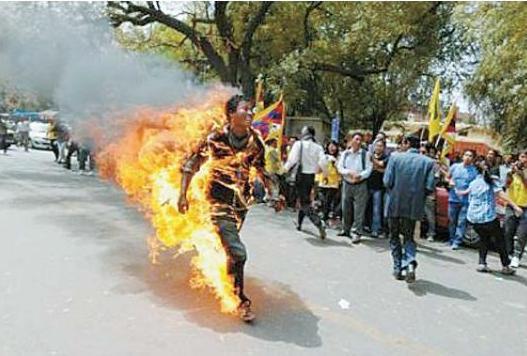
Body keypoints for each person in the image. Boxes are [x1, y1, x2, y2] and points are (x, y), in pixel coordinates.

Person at [178, 95, 275, 322]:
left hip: (241, 203)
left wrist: (275, 193)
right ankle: (240, 301)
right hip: (217, 202)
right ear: (232, 114)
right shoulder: (215, 138)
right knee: (238, 251)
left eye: (252, 110)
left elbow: (263, 171)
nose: (251, 114)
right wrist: (182, 194)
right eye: (246, 110)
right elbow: (191, 165)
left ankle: (226, 274)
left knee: (231, 251)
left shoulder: (255, 142)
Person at [384, 135, 435, 282]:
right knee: (409, 236)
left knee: (394, 236)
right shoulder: (428, 162)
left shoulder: (395, 158)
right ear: (419, 146)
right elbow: (430, 187)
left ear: (406, 143)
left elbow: (387, 181)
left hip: (395, 202)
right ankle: (410, 262)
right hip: (414, 205)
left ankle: (397, 267)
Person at [460, 161, 521, 274]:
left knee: (484, 239)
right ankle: (506, 266)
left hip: (474, 218)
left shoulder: (473, 183)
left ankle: (482, 263)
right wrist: (515, 207)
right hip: (488, 217)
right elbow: (501, 195)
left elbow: (470, 198)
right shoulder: (492, 181)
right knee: (500, 240)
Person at [284, 126, 327, 239]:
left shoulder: (299, 144)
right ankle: (299, 223)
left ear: (306, 133)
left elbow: (292, 160)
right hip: (310, 177)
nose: (301, 133)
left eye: (302, 131)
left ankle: (318, 222)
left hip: (300, 176)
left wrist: (284, 169)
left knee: (304, 203)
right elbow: (323, 161)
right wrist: (324, 173)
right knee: (304, 198)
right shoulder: (318, 147)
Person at [337, 131, 372, 243]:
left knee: (359, 210)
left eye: (360, 140)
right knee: (346, 207)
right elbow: (340, 167)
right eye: (356, 139)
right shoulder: (345, 154)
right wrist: (349, 172)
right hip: (347, 183)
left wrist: (360, 175)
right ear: (351, 140)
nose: (358, 142)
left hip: (360, 184)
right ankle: (345, 229)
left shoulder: (365, 154)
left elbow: (369, 169)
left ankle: (356, 232)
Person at [447, 150, 478, 250]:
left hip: (466, 200)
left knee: (461, 222)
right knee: (452, 220)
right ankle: (451, 239)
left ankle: (457, 241)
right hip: (453, 198)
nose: (468, 157)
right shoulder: (455, 167)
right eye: (466, 155)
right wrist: (450, 181)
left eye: (470, 156)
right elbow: (447, 177)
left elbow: (475, 186)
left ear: (473, 158)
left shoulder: (474, 171)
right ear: (462, 156)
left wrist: (466, 192)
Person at [505, 150, 527, 268]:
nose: (524, 159)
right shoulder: (512, 170)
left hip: (525, 207)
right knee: (508, 231)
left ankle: (517, 256)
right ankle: (509, 253)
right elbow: (507, 185)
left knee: (522, 234)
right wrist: (510, 174)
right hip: (511, 205)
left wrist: (522, 175)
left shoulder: (523, 173)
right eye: (522, 157)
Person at [316, 141, 341, 226]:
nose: (332, 148)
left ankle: (324, 218)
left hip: (333, 183)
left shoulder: (339, 157)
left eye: (334, 146)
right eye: (331, 146)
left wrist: (335, 163)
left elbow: (340, 171)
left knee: (328, 201)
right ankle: (323, 215)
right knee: (322, 199)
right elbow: (318, 170)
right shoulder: (323, 156)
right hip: (323, 181)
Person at [368, 138, 388, 237]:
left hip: (378, 188)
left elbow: (383, 167)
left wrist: (373, 162)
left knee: (377, 210)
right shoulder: (369, 156)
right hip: (367, 185)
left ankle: (375, 229)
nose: (378, 148)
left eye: (380, 146)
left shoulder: (386, 157)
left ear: (384, 148)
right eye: (376, 145)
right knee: (366, 208)